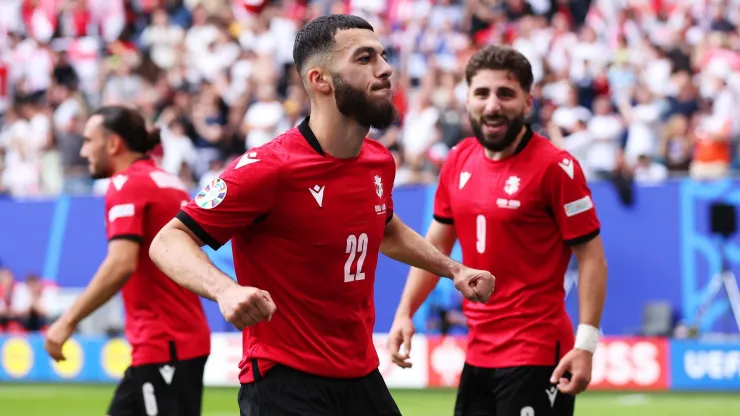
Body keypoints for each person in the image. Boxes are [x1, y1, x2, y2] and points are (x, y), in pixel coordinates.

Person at [148, 14, 495, 416]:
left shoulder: (379, 161)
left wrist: (453, 270)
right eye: (364, 59)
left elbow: (384, 228)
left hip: (360, 376)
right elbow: (168, 240)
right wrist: (225, 290)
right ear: (320, 80)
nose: (385, 69)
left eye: (383, 56)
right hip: (284, 383)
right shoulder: (268, 168)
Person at [387, 45, 608, 416]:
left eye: (505, 93)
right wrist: (405, 312)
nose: (492, 105)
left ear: (527, 102)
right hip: (478, 353)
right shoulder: (458, 158)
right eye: (482, 93)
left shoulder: (557, 167)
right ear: (468, 99)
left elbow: (593, 259)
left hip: (538, 352)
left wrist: (585, 344)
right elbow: (436, 244)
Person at [44, 106, 211, 416]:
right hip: (180, 337)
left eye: (88, 140)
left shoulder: (126, 184)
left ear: (113, 144)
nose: (83, 151)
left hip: (163, 342)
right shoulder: (169, 181)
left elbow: (121, 263)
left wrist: (66, 321)